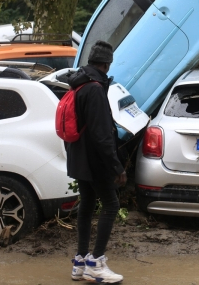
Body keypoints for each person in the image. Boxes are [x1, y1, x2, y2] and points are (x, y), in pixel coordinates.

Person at [66, 40, 126, 283]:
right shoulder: (95, 89)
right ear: (106, 64)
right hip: (95, 160)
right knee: (111, 205)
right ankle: (96, 262)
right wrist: (116, 167)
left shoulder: (78, 84)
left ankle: (80, 262)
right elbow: (102, 135)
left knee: (87, 205)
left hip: (79, 158)